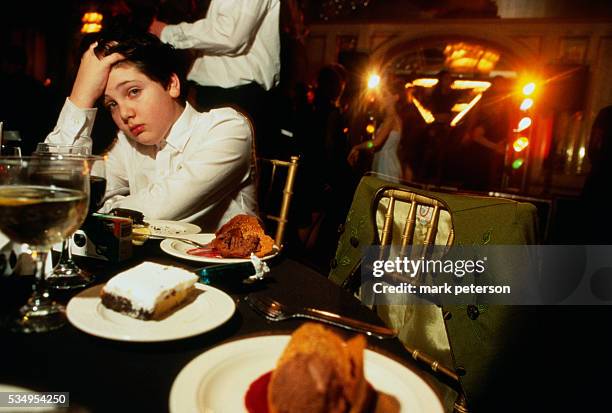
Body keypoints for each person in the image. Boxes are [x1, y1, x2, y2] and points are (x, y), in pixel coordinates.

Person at [45, 28, 257, 232]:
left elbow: (161, 208)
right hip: (151, 267)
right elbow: (57, 193)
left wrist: (93, 209)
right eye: (112, 104)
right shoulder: (128, 145)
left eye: (133, 91)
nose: (125, 113)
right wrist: (81, 98)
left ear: (172, 84)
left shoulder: (226, 128)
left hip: (228, 266)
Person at [148, 0, 280, 157]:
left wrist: (166, 32)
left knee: (219, 170)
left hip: (234, 95)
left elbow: (230, 35)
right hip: (219, 93)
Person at [348, 78, 406, 183]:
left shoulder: (391, 118)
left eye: (385, 95)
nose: (381, 98)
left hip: (386, 165)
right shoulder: (393, 118)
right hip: (386, 161)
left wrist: (357, 147)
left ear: (395, 97)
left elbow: (375, 143)